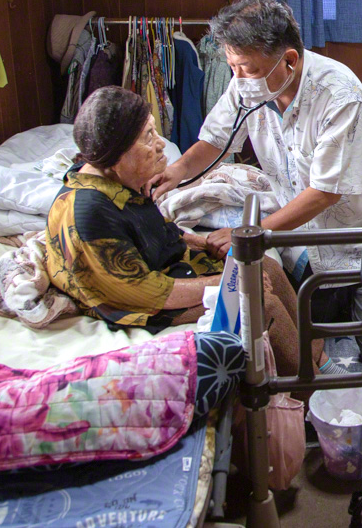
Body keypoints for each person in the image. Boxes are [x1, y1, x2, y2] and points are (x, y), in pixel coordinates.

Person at [148, 0, 362, 361]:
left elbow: (325, 192)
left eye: (247, 68)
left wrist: (258, 233)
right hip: (310, 245)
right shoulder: (249, 84)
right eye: (232, 67)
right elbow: (215, 140)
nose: (239, 78)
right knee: (320, 348)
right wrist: (175, 172)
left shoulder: (339, 96)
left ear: (289, 60)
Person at [48, 87, 325, 376]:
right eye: (147, 138)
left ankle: (319, 358)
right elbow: (145, 294)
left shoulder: (120, 178)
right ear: (118, 156)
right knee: (259, 306)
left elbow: (157, 231)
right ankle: (314, 396)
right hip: (138, 304)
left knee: (265, 265)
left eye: (154, 132)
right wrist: (233, 281)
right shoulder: (90, 211)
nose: (159, 145)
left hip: (166, 271)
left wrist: (202, 243)